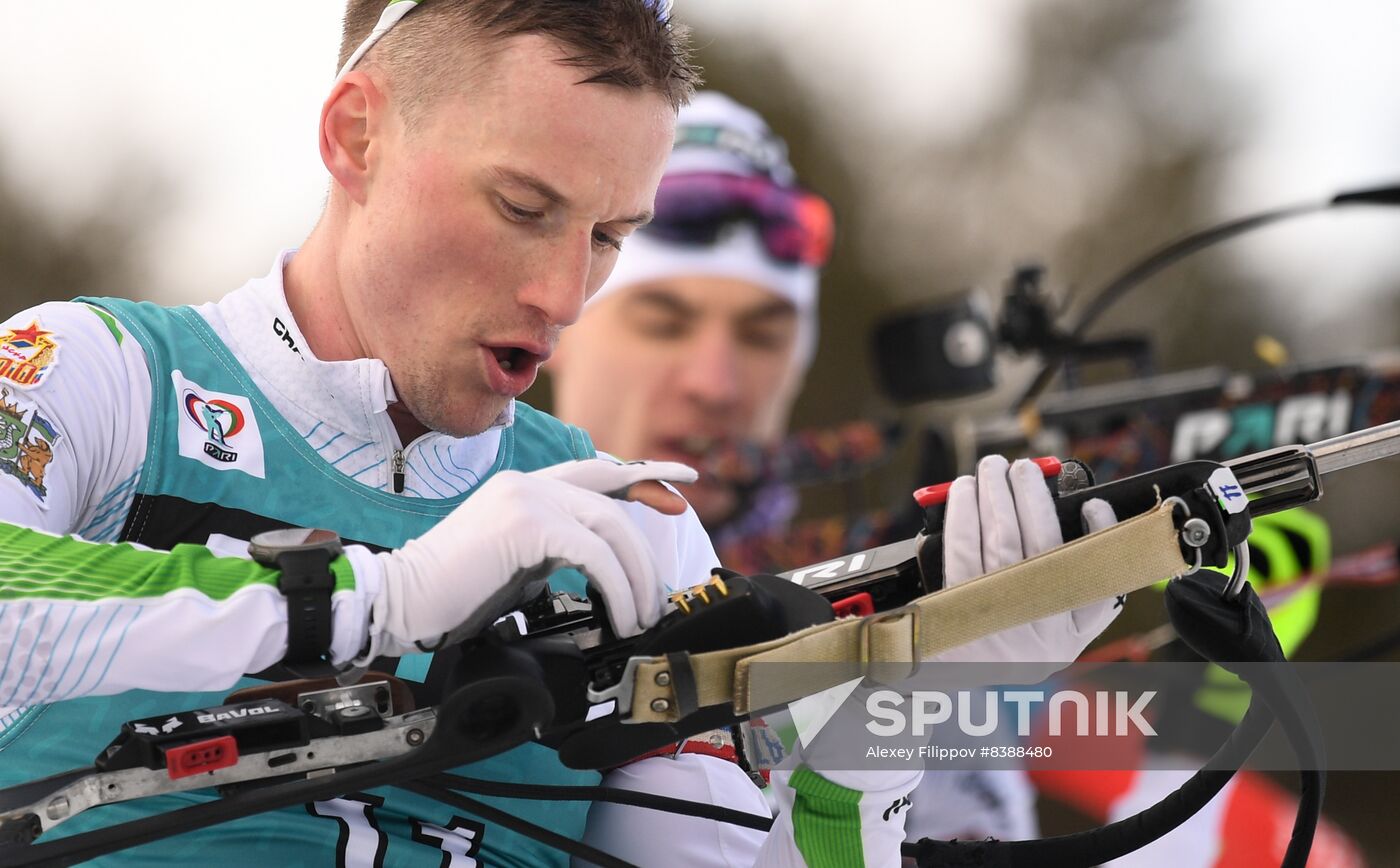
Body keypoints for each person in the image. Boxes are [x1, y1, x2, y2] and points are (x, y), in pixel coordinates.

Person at [0, 6, 1122, 867]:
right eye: (522, 208)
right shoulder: (97, 373)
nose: (562, 291)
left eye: (607, 235)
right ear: (357, 135)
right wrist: (381, 601)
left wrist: (899, 732)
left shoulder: (628, 519)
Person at [549, 91, 1114, 864]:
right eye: (663, 319)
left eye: (762, 333)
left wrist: (914, 704)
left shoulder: (901, 614)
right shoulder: (432, 541)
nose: (715, 382)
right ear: (562, 326)